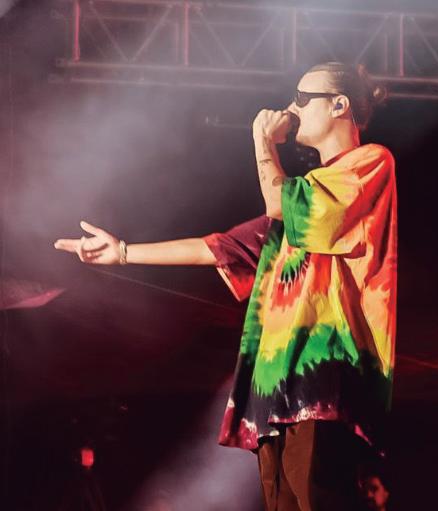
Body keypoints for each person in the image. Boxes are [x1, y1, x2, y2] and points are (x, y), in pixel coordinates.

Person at [55, 62, 397, 511]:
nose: (292, 108)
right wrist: (121, 252)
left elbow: (279, 202)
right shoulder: (303, 194)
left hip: (324, 379)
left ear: (339, 105)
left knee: (320, 497)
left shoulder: (370, 164)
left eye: (302, 97)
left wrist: (262, 141)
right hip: (276, 384)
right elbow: (216, 248)